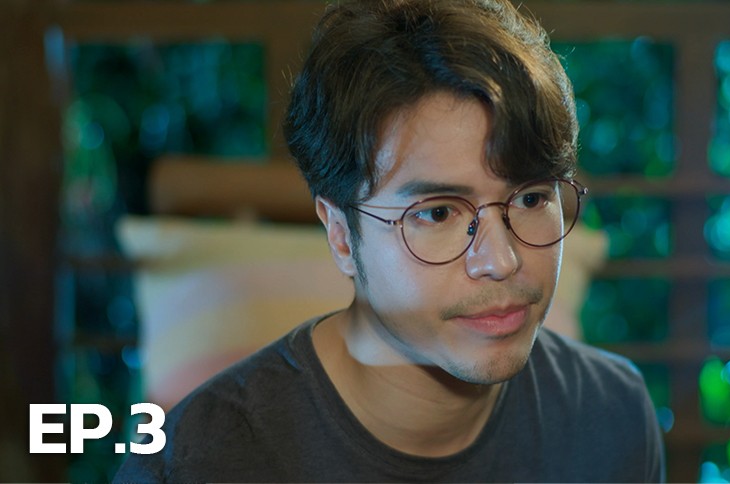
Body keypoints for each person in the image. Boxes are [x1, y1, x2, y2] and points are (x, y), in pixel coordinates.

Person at [114, 0, 664, 481]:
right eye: (438, 213)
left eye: (531, 199)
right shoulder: (200, 462)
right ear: (341, 236)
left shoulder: (611, 416)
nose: (501, 260)